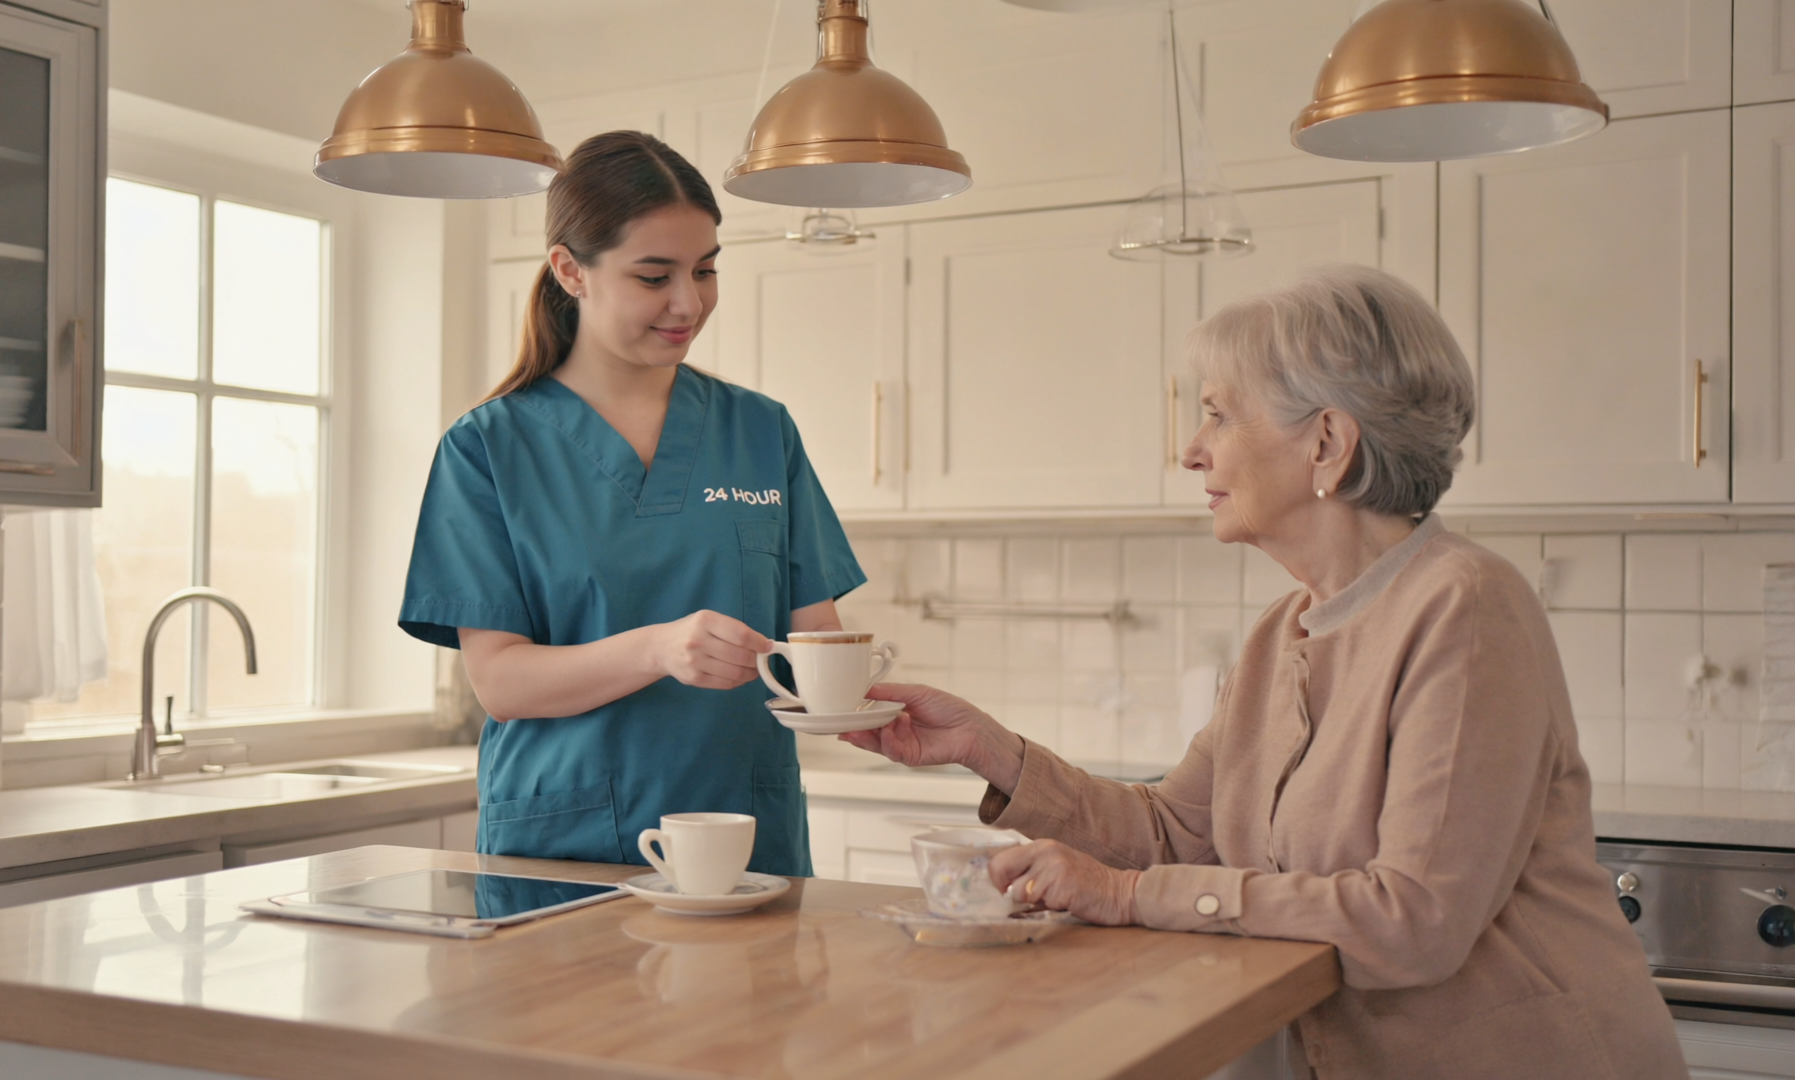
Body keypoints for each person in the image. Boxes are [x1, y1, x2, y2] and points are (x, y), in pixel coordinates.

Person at [843, 265, 1687, 1079]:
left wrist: (1131, 895)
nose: (1191, 452)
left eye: (1217, 416)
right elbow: (1179, 831)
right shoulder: (1283, 632)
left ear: (1326, 442)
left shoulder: (1465, 606)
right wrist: (993, 752)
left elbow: (1413, 922)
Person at [399, 132, 863, 877]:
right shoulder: (488, 448)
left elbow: (818, 642)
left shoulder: (760, 431)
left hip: (748, 841)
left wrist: (883, 703)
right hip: (566, 850)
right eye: (655, 276)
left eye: (706, 270)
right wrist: (658, 649)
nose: (690, 302)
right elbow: (501, 683)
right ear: (569, 270)